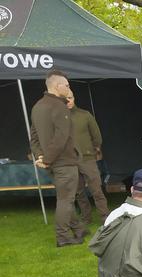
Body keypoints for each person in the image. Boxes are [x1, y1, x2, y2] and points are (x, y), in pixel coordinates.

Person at [30, 70, 87, 247]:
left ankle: (77, 228)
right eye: (67, 85)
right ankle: (63, 237)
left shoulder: (37, 106)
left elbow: (33, 136)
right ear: (57, 86)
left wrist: (41, 156)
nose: (69, 89)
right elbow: (61, 138)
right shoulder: (59, 107)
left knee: (65, 196)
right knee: (66, 200)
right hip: (63, 162)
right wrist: (46, 158)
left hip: (52, 163)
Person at [65, 92, 109, 225]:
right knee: (78, 192)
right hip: (69, 160)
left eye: (70, 98)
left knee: (96, 189)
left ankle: (105, 217)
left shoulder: (85, 115)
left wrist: (95, 149)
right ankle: (86, 217)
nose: (68, 101)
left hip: (87, 158)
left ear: (74, 98)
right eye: (65, 99)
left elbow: (97, 136)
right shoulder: (58, 118)